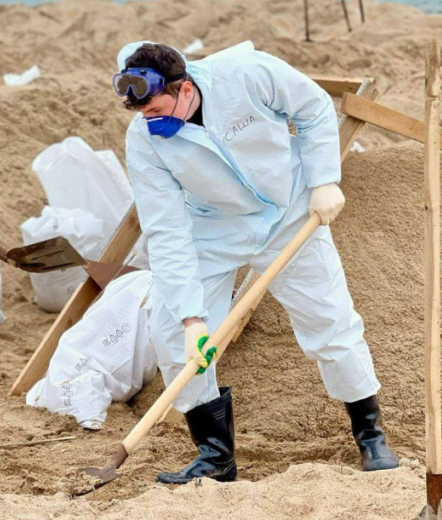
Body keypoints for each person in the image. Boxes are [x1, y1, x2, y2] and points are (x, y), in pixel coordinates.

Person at [113, 41, 398, 484]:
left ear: (184, 88)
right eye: (140, 112)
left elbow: (315, 108)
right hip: (214, 227)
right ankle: (215, 457)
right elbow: (166, 231)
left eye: (154, 107)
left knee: (329, 319)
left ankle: (371, 436)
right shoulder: (144, 141)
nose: (148, 118)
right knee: (170, 331)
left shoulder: (245, 73)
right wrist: (192, 319)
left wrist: (324, 180)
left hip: (290, 211)